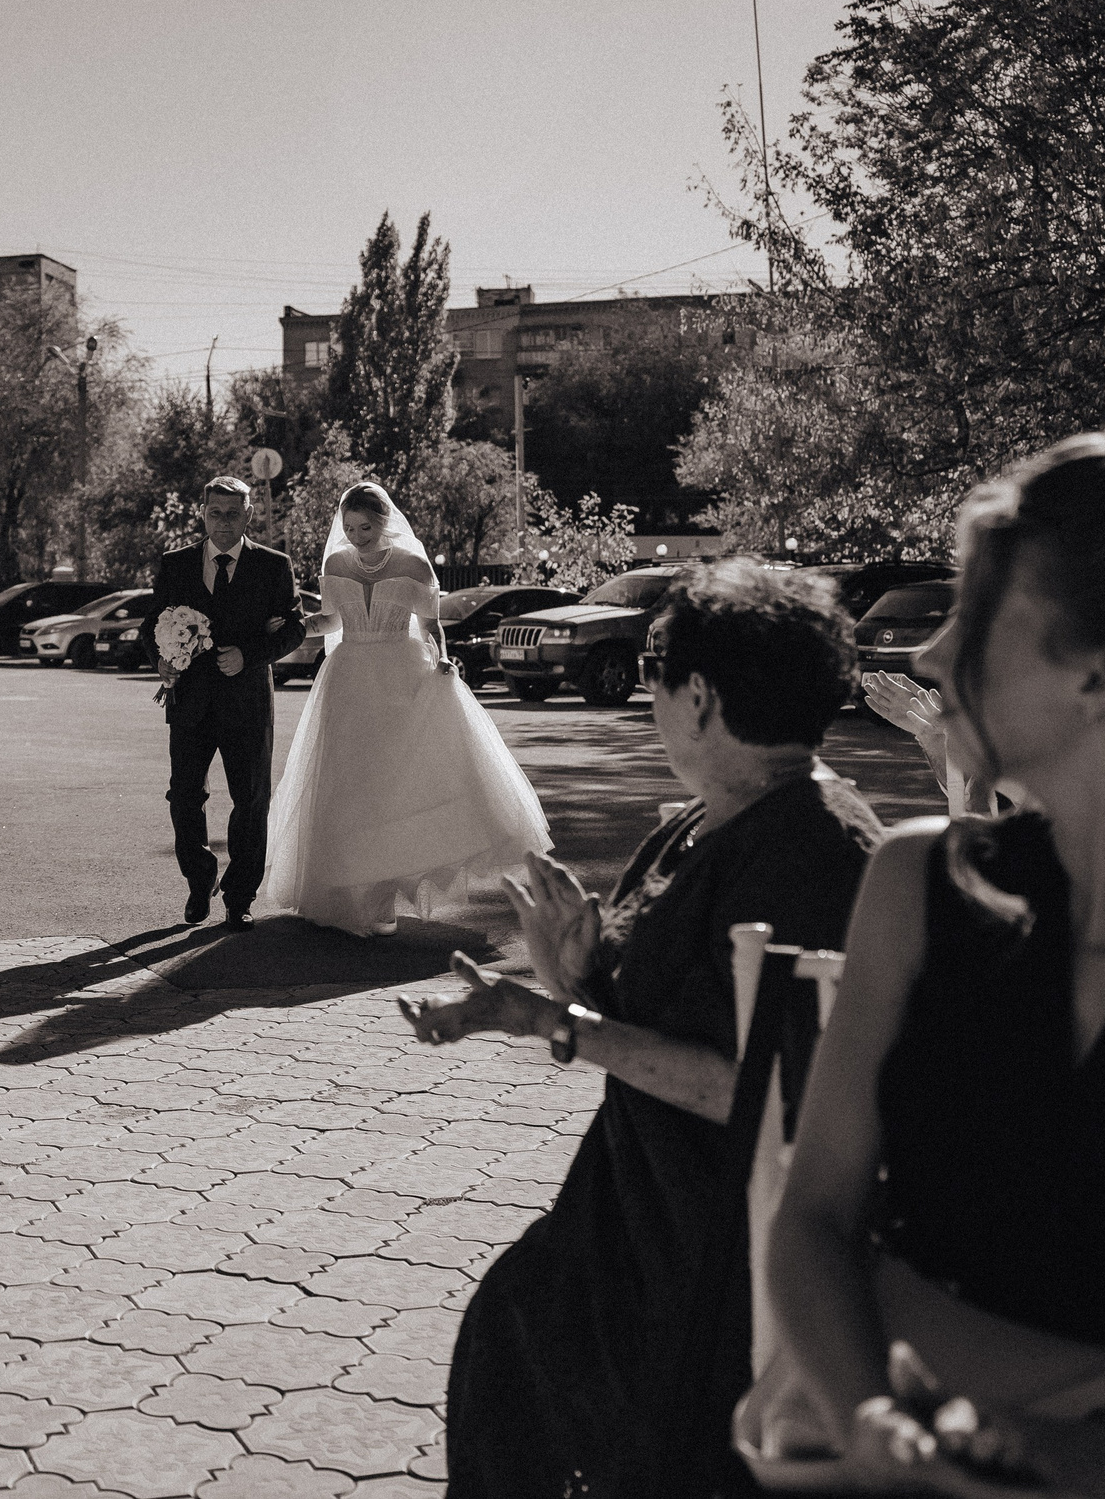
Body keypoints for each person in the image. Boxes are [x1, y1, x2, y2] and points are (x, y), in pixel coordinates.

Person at [749, 380, 1105, 1496]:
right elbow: (813, 1216)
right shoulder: (918, 882)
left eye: (977, 612)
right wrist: (866, 1419)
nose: (929, 654)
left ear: (1101, 674)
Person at [401, 559, 884, 1497]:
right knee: (513, 1363)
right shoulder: (703, 823)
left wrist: (549, 1017)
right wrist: (573, 971)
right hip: (630, 1203)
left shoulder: (816, 851)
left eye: (657, 673)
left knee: (635, 1445)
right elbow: (638, 1009)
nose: (648, 694)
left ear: (700, 697)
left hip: (721, 1252)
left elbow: (761, 1086)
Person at [258, 482, 550, 936]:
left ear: (384, 522)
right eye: (350, 527)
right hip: (349, 677)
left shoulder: (413, 564)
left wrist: (444, 656)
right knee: (349, 783)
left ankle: (384, 891)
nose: (356, 535)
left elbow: (430, 625)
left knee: (396, 782)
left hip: (401, 673)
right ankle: (352, 892)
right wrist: (300, 625)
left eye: (366, 527)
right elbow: (332, 619)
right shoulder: (335, 563)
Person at [150, 476, 307, 930]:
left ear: (249, 515)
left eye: (233, 514)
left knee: (251, 802)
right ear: (202, 513)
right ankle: (199, 882)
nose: (223, 522)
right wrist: (161, 658)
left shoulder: (274, 566)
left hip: (247, 703)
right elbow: (152, 624)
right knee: (183, 797)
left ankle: (239, 897)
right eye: (215, 513)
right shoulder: (175, 564)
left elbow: (294, 629)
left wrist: (250, 655)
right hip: (190, 702)